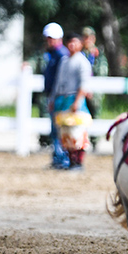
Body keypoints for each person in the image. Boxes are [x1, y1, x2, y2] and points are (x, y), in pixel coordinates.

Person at [51, 33, 93, 170]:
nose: (72, 45)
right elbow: (57, 82)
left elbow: (84, 84)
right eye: (70, 42)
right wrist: (53, 98)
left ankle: (78, 162)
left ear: (81, 44)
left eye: (75, 42)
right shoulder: (64, 61)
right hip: (62, 99)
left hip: (75, 98)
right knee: (65, 132)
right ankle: (69, 161)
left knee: (77, 131)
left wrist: (77, 101)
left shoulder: (82, 62)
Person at [42, 22, 71, 169]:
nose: (49, 41)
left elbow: (60, 80)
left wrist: (54, 98)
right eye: (48, 38)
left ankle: (62, 159)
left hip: (59, 97)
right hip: (54, 96)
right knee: (55, 130)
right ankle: (57, 158)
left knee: (59, 129)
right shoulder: (52, 54)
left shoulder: (62, 55)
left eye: (52, 38)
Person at [81, 26, 108, 116]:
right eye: (85, 37)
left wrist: (91, 90)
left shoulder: (99, 55)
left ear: (94, 39)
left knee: (95, 118)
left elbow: (102, 74)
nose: (87, 40)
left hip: (94, 93)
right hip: (81, 91)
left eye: (89, 37)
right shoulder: (80, 53)